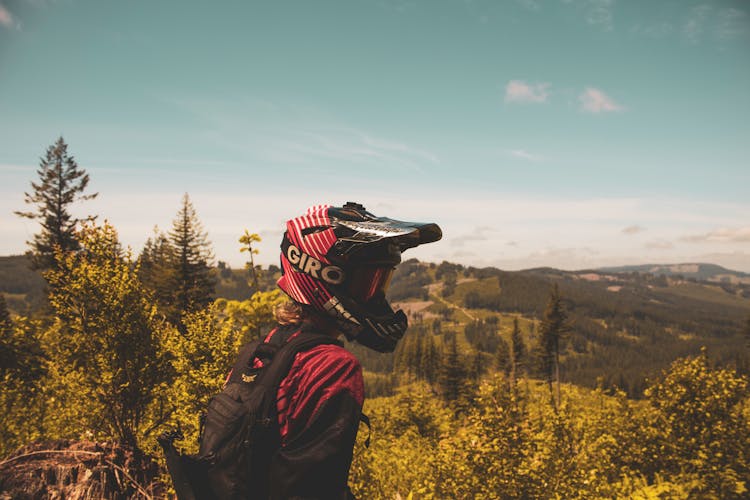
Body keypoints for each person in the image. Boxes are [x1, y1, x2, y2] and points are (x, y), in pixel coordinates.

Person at [254, 201, 442, 499]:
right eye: (368, 283)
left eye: (382, 282)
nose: (375, 298)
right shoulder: (332, 367)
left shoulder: (267, 348)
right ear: (325, 275)